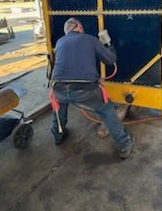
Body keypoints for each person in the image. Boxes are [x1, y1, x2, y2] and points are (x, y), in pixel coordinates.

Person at [51, 17, 133, 159]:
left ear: (67, 32)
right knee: (106, 110)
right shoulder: (89, 39)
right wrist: (109, 45)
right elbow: (111, 60)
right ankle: (124, 144)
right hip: (85, 90)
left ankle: (58, 135)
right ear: (79, 28)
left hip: (59, 88)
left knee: (58, 106)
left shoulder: (60, 42)